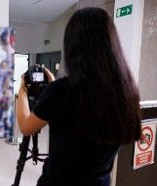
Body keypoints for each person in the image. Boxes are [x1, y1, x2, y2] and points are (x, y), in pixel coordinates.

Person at [17, 8, 141, 186]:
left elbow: (26, 126)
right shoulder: (126, 92)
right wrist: (53, 85)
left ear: (72, 47)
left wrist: (22, 90)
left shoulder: (61, 91)